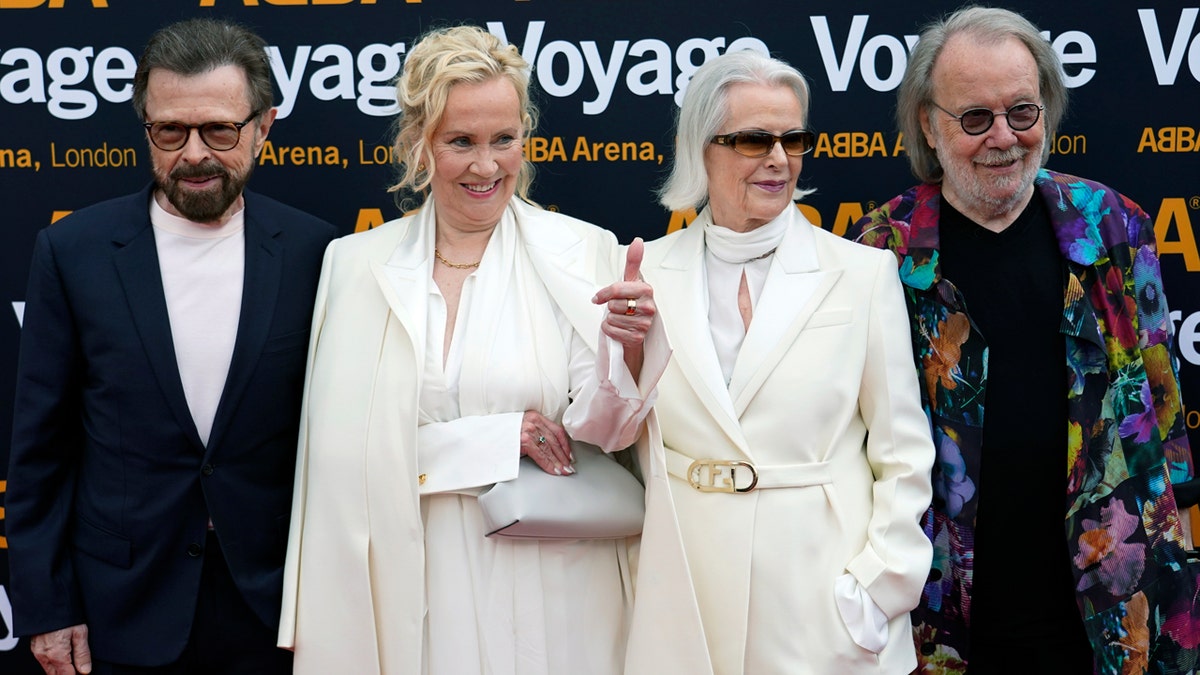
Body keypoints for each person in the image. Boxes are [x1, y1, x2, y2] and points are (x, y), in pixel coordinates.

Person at [276, 24, 667, 675]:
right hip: (422, 592)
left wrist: (628, 355)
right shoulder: (354, 265)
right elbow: (343, 461)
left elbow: (603, 433)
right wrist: (495, 439)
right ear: (419, 142)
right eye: (462, 142)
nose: (487, 166)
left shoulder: (582, 251)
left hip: (564, 592)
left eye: (504, 140)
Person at [845, 6, 1200, 673]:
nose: (1003, 137)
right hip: (945, 616)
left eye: (1023, 113)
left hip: (1115, 610)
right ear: (929, 123)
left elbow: (1162, 402)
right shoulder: (879, 251)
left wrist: (1174, 553)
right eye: (975, 117)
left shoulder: (1114, 225)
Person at [5, 17, 338, 675]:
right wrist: (44, 605)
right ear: (147, 128)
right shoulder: (73, 252)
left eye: (219, 129)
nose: (194, 154)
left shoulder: (318, 252)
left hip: (279, 608)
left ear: (263, 126)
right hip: (120, 609)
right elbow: (40, 452)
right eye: (170, 131)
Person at [623, 49, 935, 675]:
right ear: (701, 148)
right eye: (751, 139)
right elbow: (618, 437)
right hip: (682, 596)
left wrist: (876, 592)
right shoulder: (643, 272)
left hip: (822, 604)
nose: (778, 158)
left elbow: (903, 450)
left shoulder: (861, 273)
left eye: (793, 139)